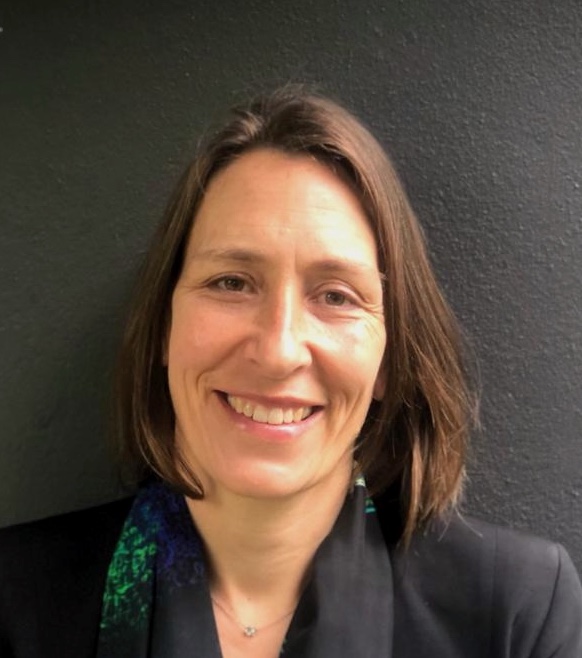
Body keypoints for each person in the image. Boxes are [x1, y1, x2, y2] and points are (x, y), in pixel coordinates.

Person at [0, 86, 581, 658]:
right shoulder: (13, 602)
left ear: (389, 360)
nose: (279, 351)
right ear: (162, 329)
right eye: (231, 282)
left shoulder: (516, 616)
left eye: (336, 296)